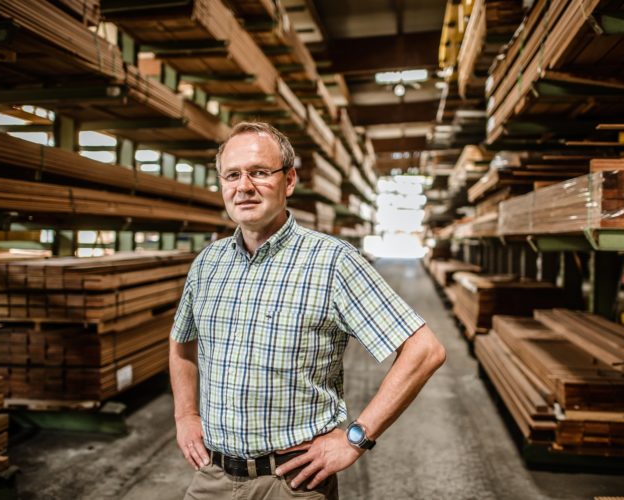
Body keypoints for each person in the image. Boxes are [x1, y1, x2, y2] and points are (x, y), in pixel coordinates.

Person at [169, 122, 446, 499]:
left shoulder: (333, 262)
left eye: (260, 173)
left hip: (293, 482)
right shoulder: (208, 263)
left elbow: (424, 350)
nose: (244, 186)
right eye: (232, 174)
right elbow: (181, 344)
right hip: (213, 477)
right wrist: (185, 416)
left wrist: (354, 439)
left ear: (290, 180)